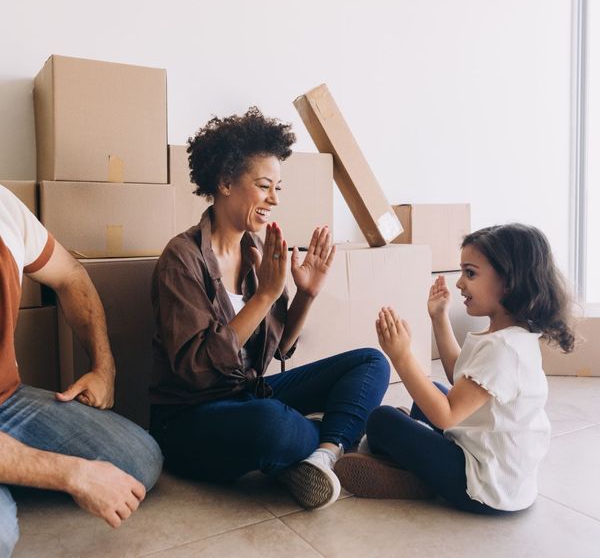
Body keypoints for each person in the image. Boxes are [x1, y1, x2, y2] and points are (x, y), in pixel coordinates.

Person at [149, 107, 390, 510]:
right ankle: (328, 435)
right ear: (225, 182)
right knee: (273, 424)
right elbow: (195, 369)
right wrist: (263, 296)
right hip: (190, 419)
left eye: (278, 187)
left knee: (371, 362)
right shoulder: (182, 258)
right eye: (264, 186)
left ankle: (321, 453)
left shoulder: (257, 251)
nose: (274, 199)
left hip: (247, 394)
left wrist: (305, 294)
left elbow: (279, 349)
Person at [335, 223, 574, 514]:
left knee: (382, 420)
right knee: (435, 391)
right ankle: (419, 466)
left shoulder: (503, 350)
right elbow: (459, 375)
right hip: (503, 478)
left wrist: (401, 357)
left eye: (470, 273)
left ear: (509, 282)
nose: (459, 283)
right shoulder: (511, 337)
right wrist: (439, 317)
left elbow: (446, 416)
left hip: (484, 489)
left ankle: (420, 481)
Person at [0, 184, 163, 557]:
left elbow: (70, 275)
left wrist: (103, 367)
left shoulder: (4, 207)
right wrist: (73, 473)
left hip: (7, 400)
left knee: (140, 461)